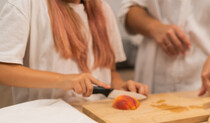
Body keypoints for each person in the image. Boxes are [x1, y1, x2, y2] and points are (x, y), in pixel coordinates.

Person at [0, 0, 149, 105]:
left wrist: (120, 87)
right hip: (42, 122)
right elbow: (3, 70)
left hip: (98, 117)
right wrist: (62, 80)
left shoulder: (104, 9)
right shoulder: (23, 4)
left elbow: (110, 71)